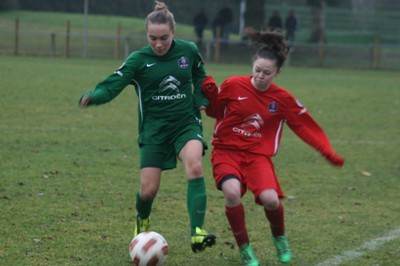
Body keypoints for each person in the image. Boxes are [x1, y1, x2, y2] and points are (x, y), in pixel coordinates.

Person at [78, 1, 216, 253]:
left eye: (164, 38)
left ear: (173, 33)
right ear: (147, 35)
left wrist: (202, 99)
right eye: (152, 38)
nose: (159, 44)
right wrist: (95, 95)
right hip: (154, 130)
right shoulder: (138, 59)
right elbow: (114, 83)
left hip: (185, 123)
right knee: (148, 190)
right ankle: (142, 219)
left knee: (194, 165)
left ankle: (197, 231)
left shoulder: (188, 51)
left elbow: (201, 74)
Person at [201, 28, 344, 265]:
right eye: (257, 70)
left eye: (267, 73)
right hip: (227, 152)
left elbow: (305, 127)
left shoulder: (282, 100)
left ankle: (280, 238)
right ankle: (245, 249)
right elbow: (215, 112)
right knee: (232, 192)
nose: (260, 76)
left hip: (258, 157)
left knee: (271, 200)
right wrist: (209, 92)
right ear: (252, 66)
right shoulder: (234, 85)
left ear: (277, 72)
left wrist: (326, 151)